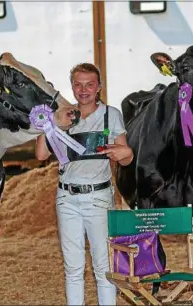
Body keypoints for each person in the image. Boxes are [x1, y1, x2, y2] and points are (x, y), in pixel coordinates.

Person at [36, 63, 133, 305]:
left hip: (98, 197)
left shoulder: (111, 115)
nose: (84, 89)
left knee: (103, 265)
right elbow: (40, 155)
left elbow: (127, 157)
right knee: (73, 267)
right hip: (67, 197)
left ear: (99, 87)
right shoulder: (63, 115)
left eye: (89, 84)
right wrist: (48, 124)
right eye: (78, 84)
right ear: (72, 86)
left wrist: (126, 152)